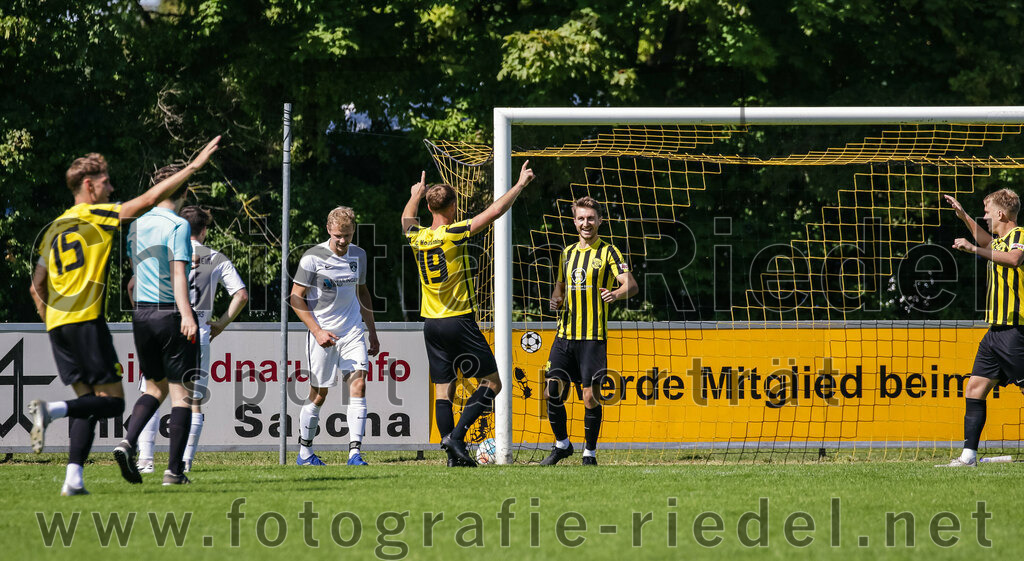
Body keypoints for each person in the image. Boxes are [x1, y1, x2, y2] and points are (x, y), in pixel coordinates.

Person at [27, 136, 220, 496]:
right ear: (88, 186)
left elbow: (36, 285)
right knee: (113, 401)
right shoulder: (95, 213)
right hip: (88, 321)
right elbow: (146, 201)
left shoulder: (53, 227)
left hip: (60, 325)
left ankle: (73, 478)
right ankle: (50, 410)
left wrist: (49, 318)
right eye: (105, 183)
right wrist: (193, 167)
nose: (110, 188)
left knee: (89, 398)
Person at [402, 161, 535, 467]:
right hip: (457, 321)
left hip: (431, 324)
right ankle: (457, 437)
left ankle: (453, 458)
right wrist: (519, 186)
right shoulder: (451, 233)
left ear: (430, 207)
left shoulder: (417, 237)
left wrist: (415, 194)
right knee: (493, 383)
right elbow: (493, 213)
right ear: (453, 206)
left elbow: (407, 218)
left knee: (443, 391)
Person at [135, 205, 248, 474]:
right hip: (198, 334)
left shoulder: (165, 254)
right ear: (205, 230)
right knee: (191, 400)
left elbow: (136, 286)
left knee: (151, 392)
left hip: (162, 327)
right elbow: (241, 295)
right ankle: (182, 463)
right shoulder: (217, 258)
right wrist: (220, 323)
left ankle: (145, 460)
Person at [114, 166, 201, 486]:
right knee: (182, 395)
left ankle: (127, 442)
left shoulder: (136, 225)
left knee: (154, 387)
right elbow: (179, 275)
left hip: (142, 315)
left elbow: (133, 282)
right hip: (170, 315)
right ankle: (174, 472)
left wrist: (141, 312)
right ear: (185, 191)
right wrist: (187, 315)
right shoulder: (178, 226)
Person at [541, 196, 637, 466]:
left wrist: (616, 294)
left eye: (591, 218)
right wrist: (556, 299)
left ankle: (589, 453)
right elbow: (559, 286)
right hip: (565, 335)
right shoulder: (567, 253)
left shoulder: (609, 252)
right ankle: (562, 444)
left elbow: (630, 284)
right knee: (551, 390)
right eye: (581, 218)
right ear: (574, 222)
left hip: (592, 337)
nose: (586, 223)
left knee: (589, 396)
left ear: (600, 221)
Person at [940, 189, 1024, 467]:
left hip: (1015, 330)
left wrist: (974, 249)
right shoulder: (999, 242)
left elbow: (1014, 260)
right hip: (994, 333)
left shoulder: (1019, 236)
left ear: (1001, 214)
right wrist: (963, 216)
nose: (985, 217)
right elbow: (986, 242)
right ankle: (968, 457)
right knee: (974, 388)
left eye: (987, 212)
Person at [289, 207, 379, 466]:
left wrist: (371, 330)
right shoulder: (313, 257)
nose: (343, 241)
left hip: (352, 331)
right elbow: (296, 297)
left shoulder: (358, 255)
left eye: (348, 235)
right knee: (319, 395)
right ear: (329, 230)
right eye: (339, 235)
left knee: (359, 385)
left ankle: (354, 454)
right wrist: (316, 331)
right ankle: (305, 453)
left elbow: (362, 293)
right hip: (322, 333)